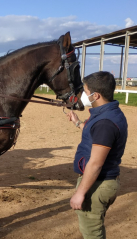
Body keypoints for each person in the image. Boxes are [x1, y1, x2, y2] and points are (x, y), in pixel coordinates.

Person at [66, 71, 128, 239]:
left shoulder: (105, 123)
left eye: (86, 92)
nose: (84, 96)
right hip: (102, 182)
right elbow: (96, 135)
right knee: (95, 227)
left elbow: (95, 163)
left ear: (96, 95)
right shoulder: (109, 113)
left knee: (92, 233)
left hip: (97, 185)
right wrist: (77, 122)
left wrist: (80, 193)